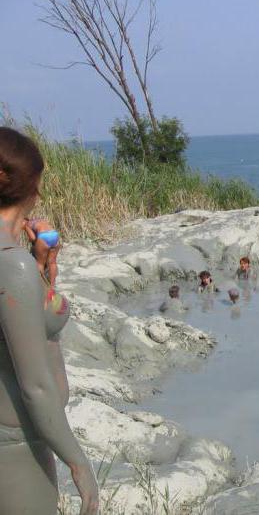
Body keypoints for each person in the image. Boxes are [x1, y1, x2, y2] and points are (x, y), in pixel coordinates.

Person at [0, 127, 98, 514]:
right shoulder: (12, 265)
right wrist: (78, 461)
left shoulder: (17, 262)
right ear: (34, 187)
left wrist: (41, 265)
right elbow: (36, 386)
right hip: (16, 440)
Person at [24, 217, 60, 288]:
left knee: (40, 263)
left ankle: (41, 285)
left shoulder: (27, 224)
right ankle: (52, 285)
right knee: (52, 262)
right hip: (54, 234)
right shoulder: (38, 220)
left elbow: (33, 238)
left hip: (43, 236)